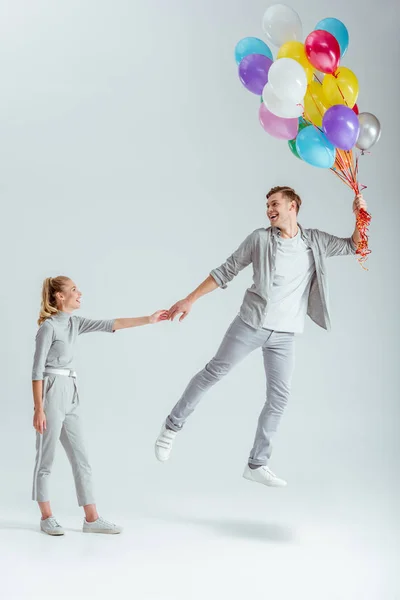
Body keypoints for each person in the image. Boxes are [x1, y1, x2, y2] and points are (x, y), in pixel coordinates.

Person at [155, 186, 367, 488]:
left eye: (275, 203)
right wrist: (190, 299)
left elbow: (354, 246)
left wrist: (359, 216)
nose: (269, 209)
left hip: (285, 334)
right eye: (267, 205)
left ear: (293, 206)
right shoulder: (259, 239)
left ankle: (257, 463)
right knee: (214, 371)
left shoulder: (315, 241)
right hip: (251, 324)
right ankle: (171, 427)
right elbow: (225, 271)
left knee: (279, 397)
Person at [32, 275, 168, 535]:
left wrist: (148, 319)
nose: (79, 293)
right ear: (60, 296)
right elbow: (37, 371)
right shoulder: (48, 328)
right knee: (46, 458)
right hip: (50, 392)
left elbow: (112, 324)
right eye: (74, 290)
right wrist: (38, 408)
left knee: (81, 458)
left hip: (71, 393)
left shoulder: (75, 323)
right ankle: (46, 516)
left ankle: (91, 519)